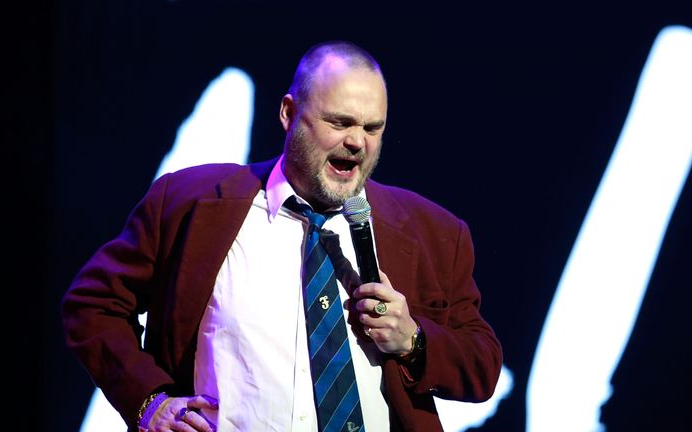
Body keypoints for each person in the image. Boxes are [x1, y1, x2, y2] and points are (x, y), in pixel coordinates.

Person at [62, 40, 502, 432]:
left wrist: (413, 340)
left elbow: (481, 364)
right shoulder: (191, 203)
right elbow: (93, 305)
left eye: (372, 128)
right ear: (289, 113)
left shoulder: (432, 232)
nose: (357, 143)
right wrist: (149, 403)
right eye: (340, 122)